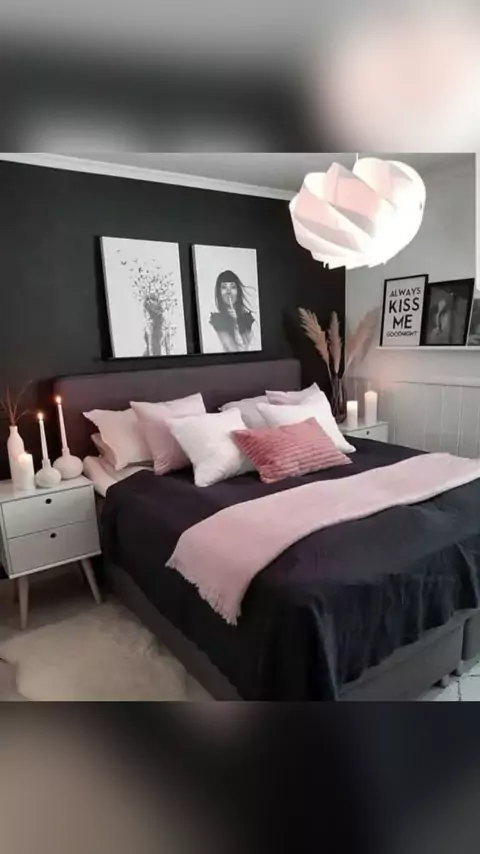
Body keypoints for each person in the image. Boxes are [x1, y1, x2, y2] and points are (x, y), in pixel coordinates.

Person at [209, 270, 256, 352]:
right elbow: (234, 350)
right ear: (219, 292)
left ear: (238, 291)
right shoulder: (216, 321)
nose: (229, 292)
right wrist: (234, 322)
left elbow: (246, 349)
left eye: (233, 287)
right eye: (224, 287)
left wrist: (236, 321)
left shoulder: (247, 319)